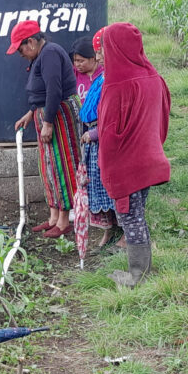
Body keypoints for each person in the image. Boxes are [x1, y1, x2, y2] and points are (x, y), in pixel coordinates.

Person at [96, 22, 171, 287]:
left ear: (115, 47)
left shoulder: (117, 85)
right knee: (138, 214)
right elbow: (163, 118)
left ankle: (136, 276)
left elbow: (108, 132)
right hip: (151, 158)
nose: (101, 54)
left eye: (104, 47)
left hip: (127, 165)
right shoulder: (153, 77)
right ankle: (143, 271)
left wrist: (108, 168)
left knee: (130, 217)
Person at [7, 20, 83, 239]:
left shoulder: (50, 53)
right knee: (48, 165)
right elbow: (40, 92)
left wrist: (48, 122)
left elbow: (54, 89)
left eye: (20, 48)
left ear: (30, 41)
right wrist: (32, 113)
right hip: (47, 113)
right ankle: (53, 218)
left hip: (59, 114)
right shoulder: (41, 55)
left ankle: (64, 220)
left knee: (63, 164)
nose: (19, 54)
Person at [76, 29, 120, 247]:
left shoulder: (115, 80)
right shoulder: (104, 77)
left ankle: (123, 232)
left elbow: (112, 116)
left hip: (104, 140)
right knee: (97, 186)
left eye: (101, 53)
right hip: (94, 140)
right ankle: (109, 231)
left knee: (111, 188)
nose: (100, 58)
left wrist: (94, 133)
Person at [71, 36, 103, 102]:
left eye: (81, 61)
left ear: (93, 58)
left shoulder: (104, 74)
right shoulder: (72, 73)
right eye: (75, 60)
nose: (77, 64)